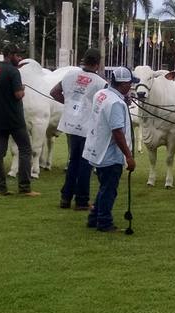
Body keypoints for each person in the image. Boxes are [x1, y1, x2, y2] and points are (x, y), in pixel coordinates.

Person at [0, 44, 40, 197]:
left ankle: (1, 187)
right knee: (25, 150)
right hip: (15, 119)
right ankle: (24, 187)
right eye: (18, 55)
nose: (19, 58)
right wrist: (22, 89)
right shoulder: (13, 71)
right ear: (10, 54)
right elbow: (18, 95)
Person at [50, 48, 107, 210]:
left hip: (70, 124)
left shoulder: (69, 75)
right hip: (88, 126)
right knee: (85, 164)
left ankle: (65, 197)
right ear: (97, 63)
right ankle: (81, 200)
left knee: (73, 161)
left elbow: (54, 92)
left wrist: (68, 103)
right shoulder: (99, 82)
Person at [83, 67, 137, 233]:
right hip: (109, 153)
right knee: (109, 190)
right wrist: (129, 156)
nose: (131, 86)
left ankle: (94, 217)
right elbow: (117, 132)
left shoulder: (102, 94)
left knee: (104, 187)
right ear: (123, 84)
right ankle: (104, 222)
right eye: (129, 83)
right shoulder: (115, 103)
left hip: (96, 148)